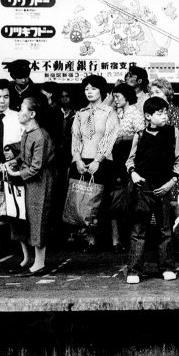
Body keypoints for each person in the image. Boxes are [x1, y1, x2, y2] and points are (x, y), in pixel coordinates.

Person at [124, 96, 179, 284]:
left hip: (164, 187)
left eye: (166, 112)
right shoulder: (139, 135)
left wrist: (172, 181)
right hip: (143, 187)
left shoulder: (173, 132)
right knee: (138, 230)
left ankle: (167, 267)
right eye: (160, 113)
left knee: (165, 229)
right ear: (148, 116)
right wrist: (133, 173)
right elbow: (130, 160)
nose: (165, 116)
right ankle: (134, 270)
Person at [2, 96, 56, 276]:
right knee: (24, 218)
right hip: (29, 181)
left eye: (22, 109)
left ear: (32, 114)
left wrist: (17, 173)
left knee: (37, 219)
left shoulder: (40, 135)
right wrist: (13, 163)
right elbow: (25, 157)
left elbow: (36, 166)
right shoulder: (27, 132)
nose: (18, 112)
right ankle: (28, 259)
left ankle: (39, 263)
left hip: (39, 182)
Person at [70, 75, 120, 249]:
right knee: (85, 199)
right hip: (82, 160)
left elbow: (109, 137)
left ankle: (114, 240)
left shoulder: (109, 113)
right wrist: (77, 159)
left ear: (102, 91)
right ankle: (90, 238)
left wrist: (98, 159)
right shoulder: (80, 113)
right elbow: (76, 138)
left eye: (93, 88)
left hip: (103, 161)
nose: (89, 92)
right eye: (86, 89)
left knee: (104, 200)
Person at [109, 83, 146, 252]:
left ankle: (131, 239)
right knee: (114, 201)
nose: (115, 99)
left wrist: (124, 138)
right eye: (113, 96)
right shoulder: (113, 113)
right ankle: (116, 240)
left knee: (131, 200)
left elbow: (141, 136)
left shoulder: (135, 113)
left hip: (130, 158)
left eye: (117, 96)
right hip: (114, 159)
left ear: (126, 96)